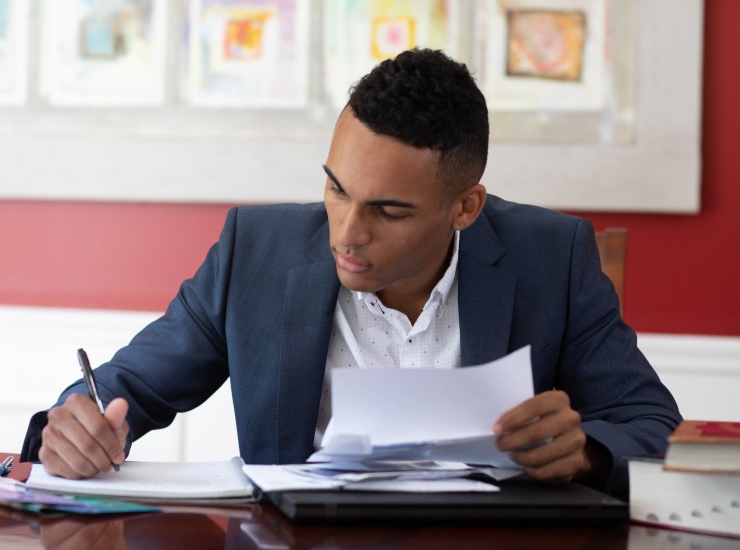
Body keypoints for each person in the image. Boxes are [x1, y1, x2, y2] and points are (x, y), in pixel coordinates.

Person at [21, 48, 680, 496]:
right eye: (337, 189)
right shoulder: (256, 249)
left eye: (389, 211)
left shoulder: (553, 255)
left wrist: (588, 450)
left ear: (465, 207)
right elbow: (128, 386)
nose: (346, 233)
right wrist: (77, 423)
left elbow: (650, 425)